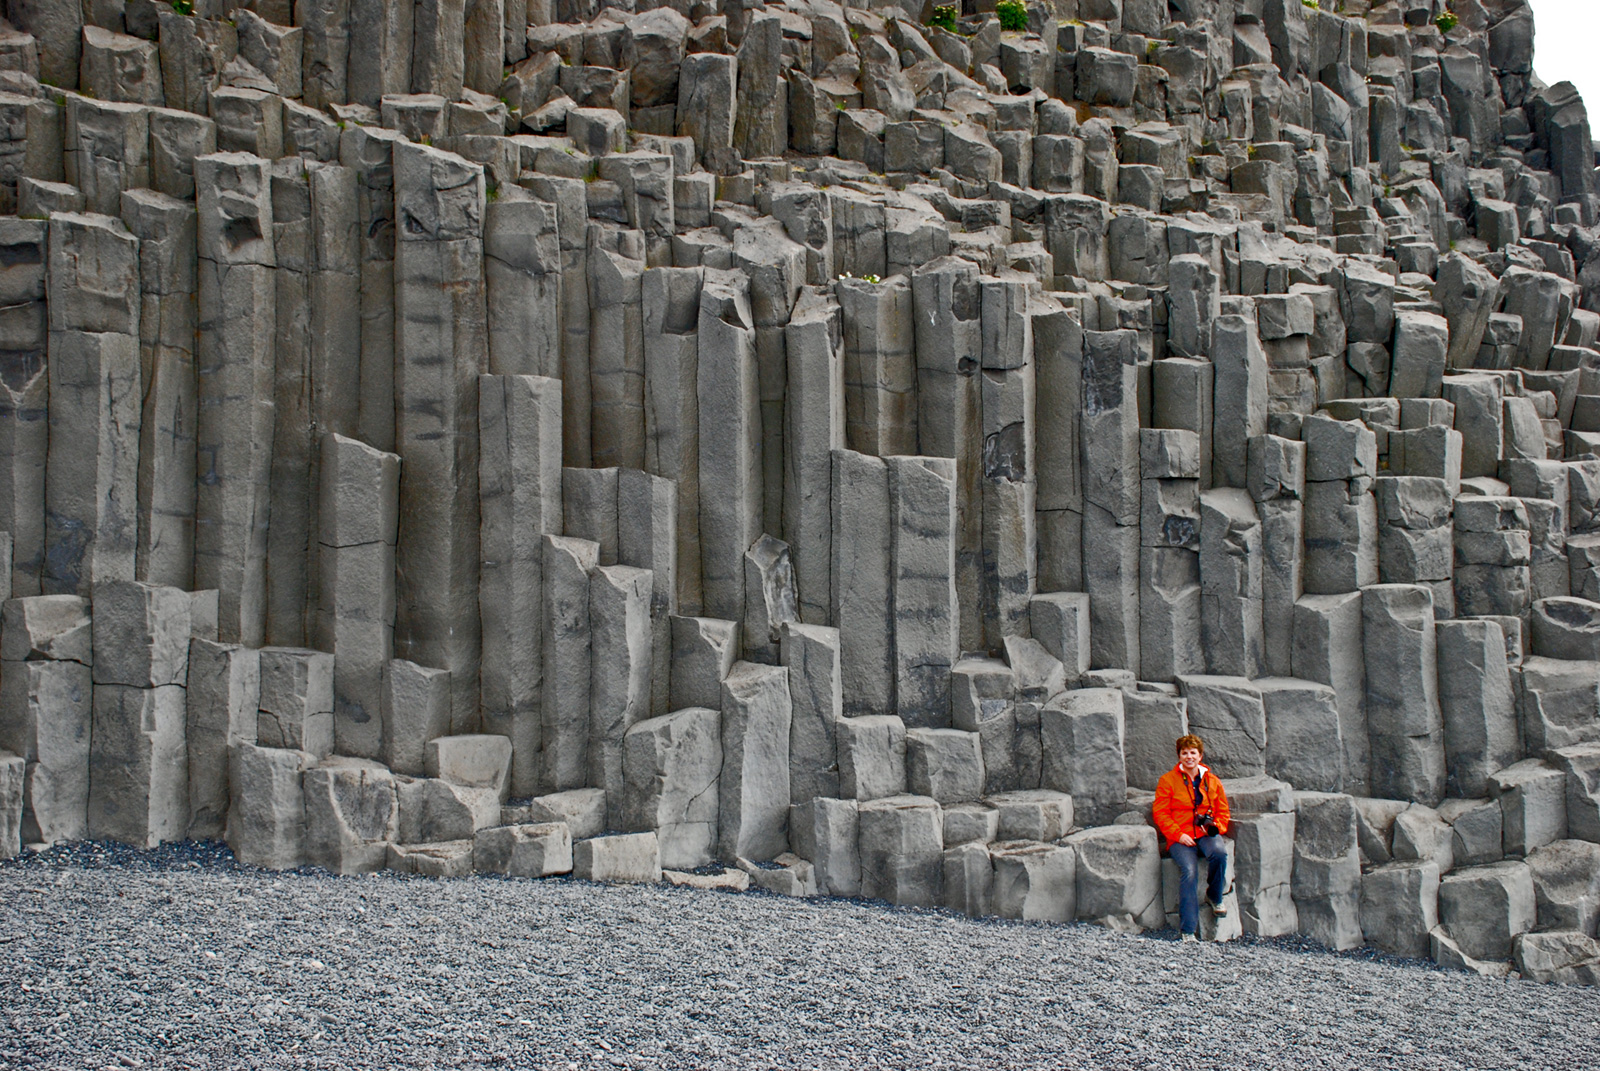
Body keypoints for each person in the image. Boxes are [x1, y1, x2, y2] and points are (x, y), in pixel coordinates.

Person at [1151, 734, 1232, 942]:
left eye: (1193, 753)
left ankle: (1215, 897)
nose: (1189, 757)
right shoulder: (1167, 781)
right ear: (1179, 756)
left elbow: (1223, 811)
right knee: (1189, 870)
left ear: (1200, 755)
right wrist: (1178, 835)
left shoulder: (1212, 781)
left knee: (1219, 853)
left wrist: (1216, 828)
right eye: (1184, 753)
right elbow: (1160, 813)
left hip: (1205, 833)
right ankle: (1188, 930)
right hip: (1180, 837)